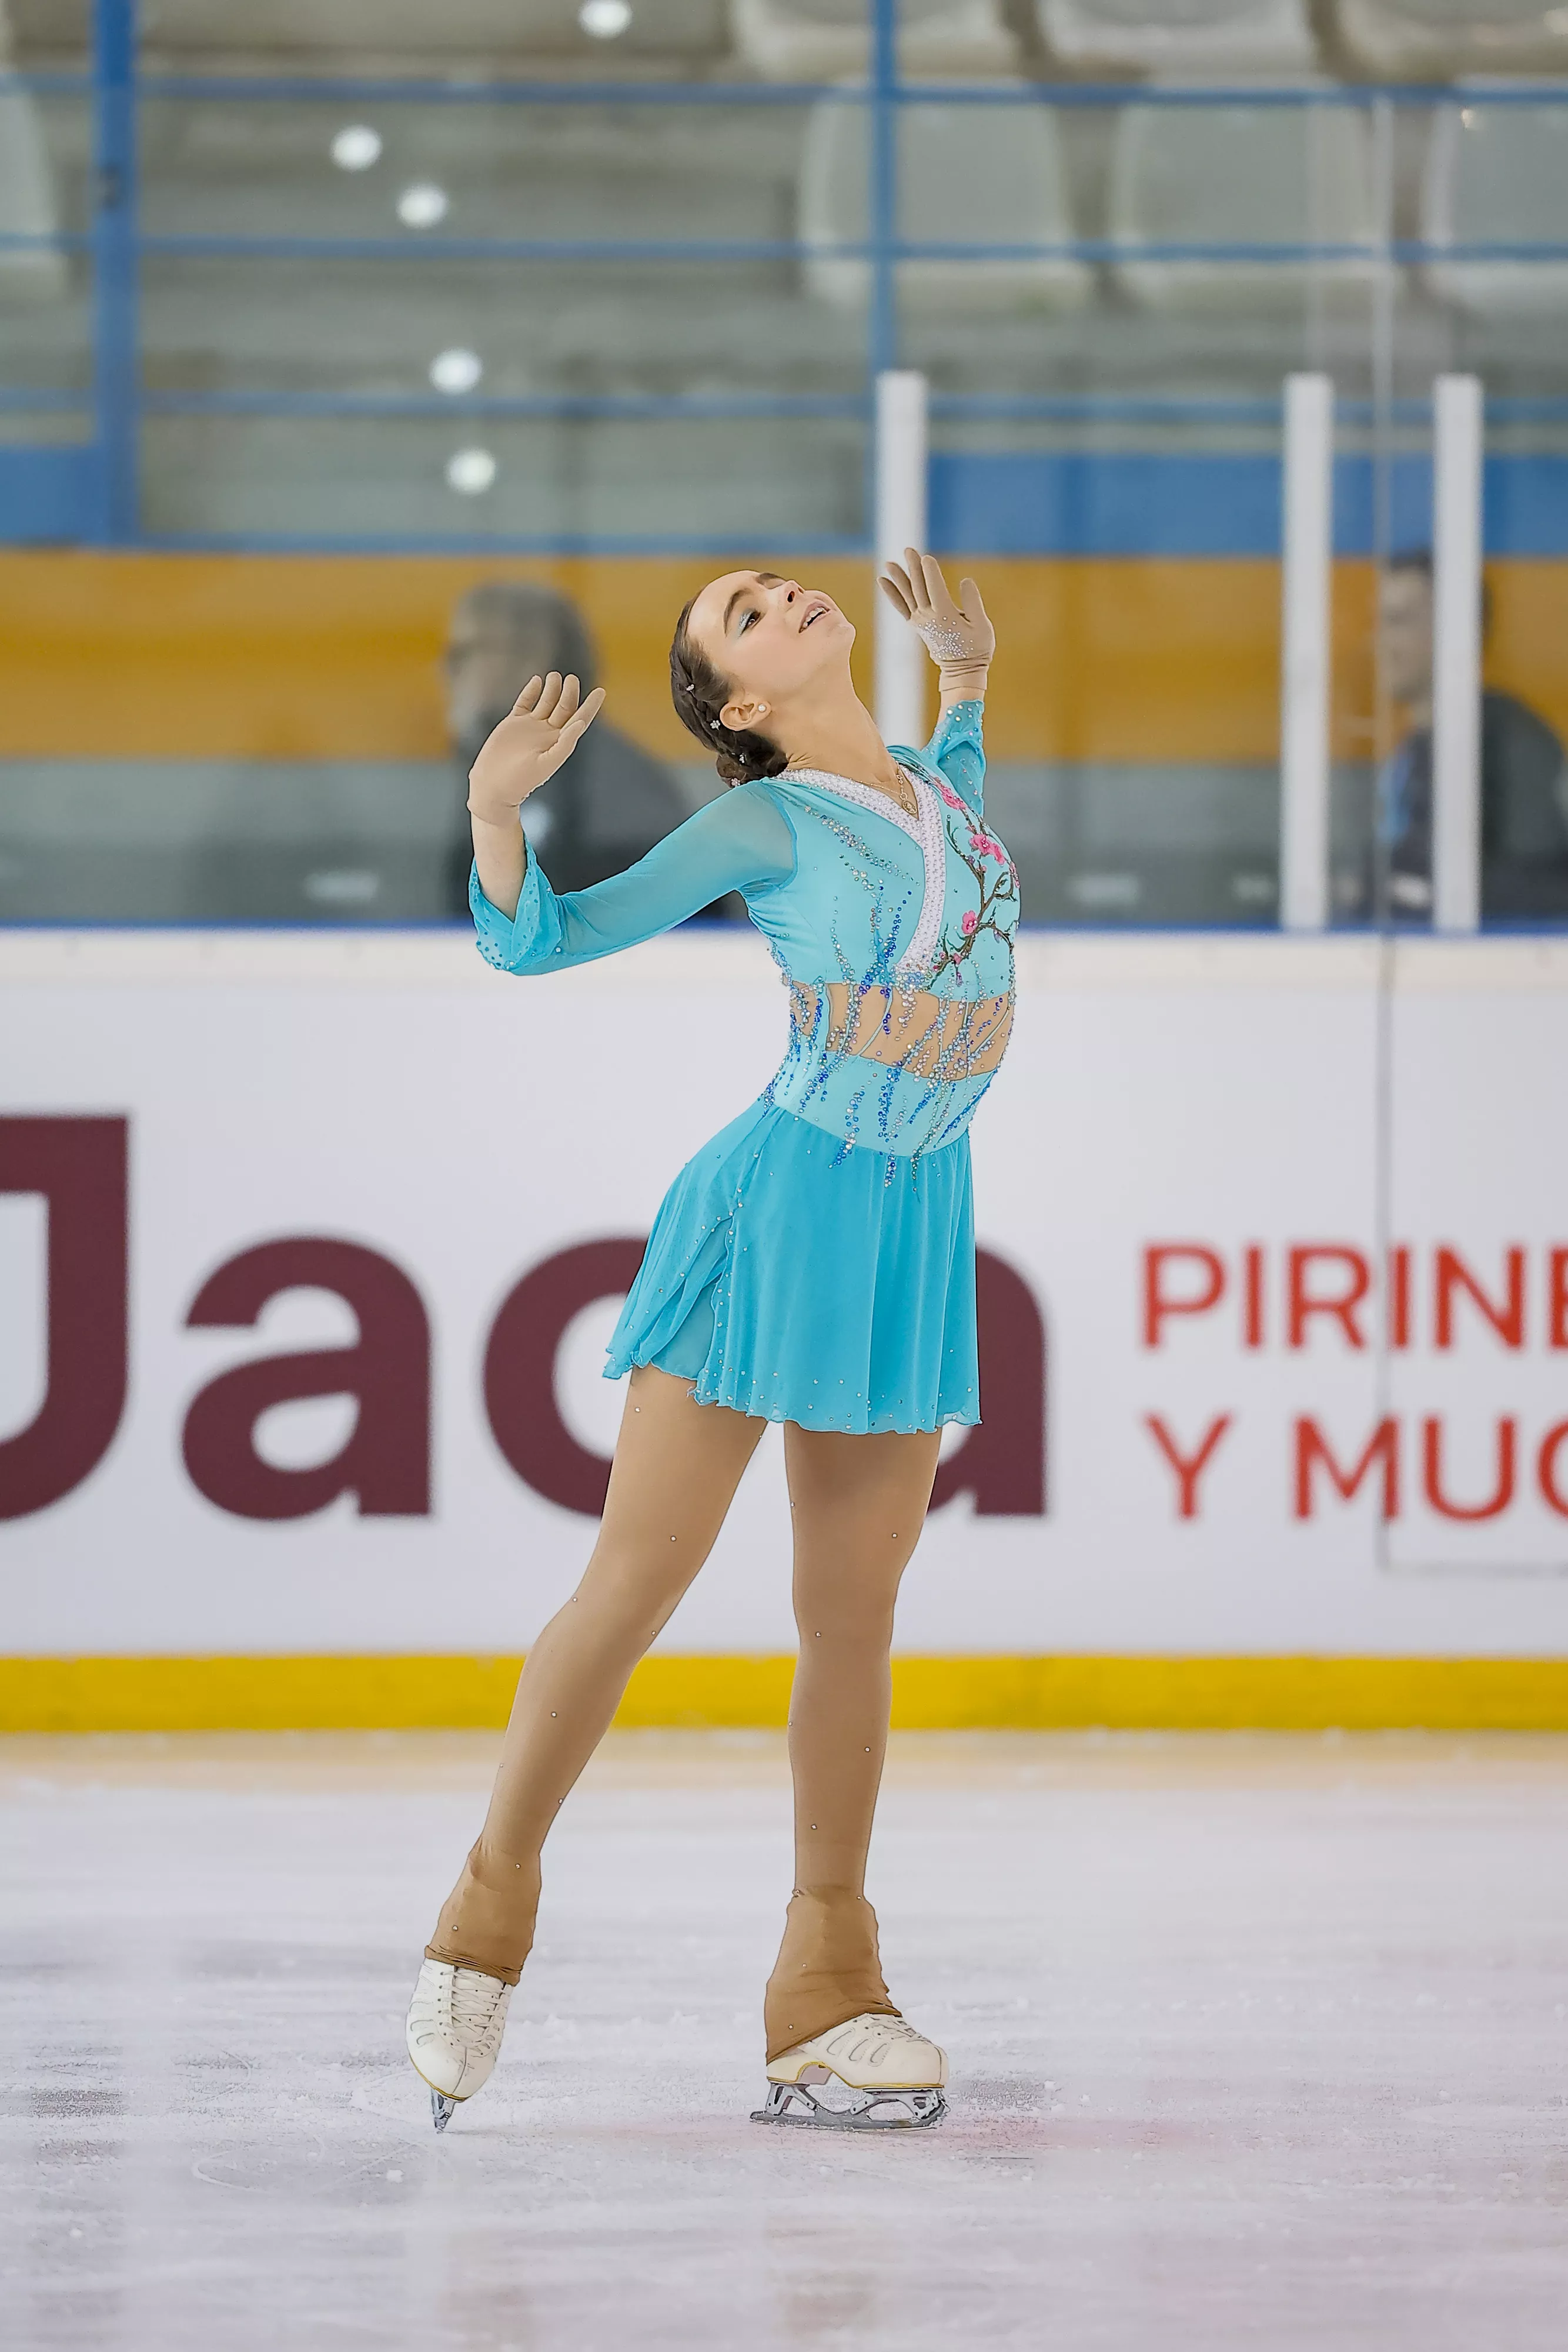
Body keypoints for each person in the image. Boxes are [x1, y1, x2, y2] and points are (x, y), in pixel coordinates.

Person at [404, 552, 1015, 2133]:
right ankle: (484, 1911)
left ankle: (826, 1988)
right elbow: (545, 943)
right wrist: (494, 815)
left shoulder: (936, 790)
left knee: (853, 1615)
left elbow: (942, 829)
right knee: (639, 1580)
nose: (786, 596)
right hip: (780, 1205)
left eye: (780, 583)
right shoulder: (762, 818)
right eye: (745, 614)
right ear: (741, 704)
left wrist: (966, 684)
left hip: (911, 1220)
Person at [443, 580, 690, 911]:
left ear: (530, 657)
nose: (449, 669)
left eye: (467, 651)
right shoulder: (499, 763)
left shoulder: (615, 784)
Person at [1370, 550, 1568, 924]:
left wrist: (1410, 889)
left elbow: (1546, 888)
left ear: (1455, 631)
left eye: (1398, 621)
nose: (1380, 640)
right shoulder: (1411, 750)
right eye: (1380, 621)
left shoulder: (1511, 744)